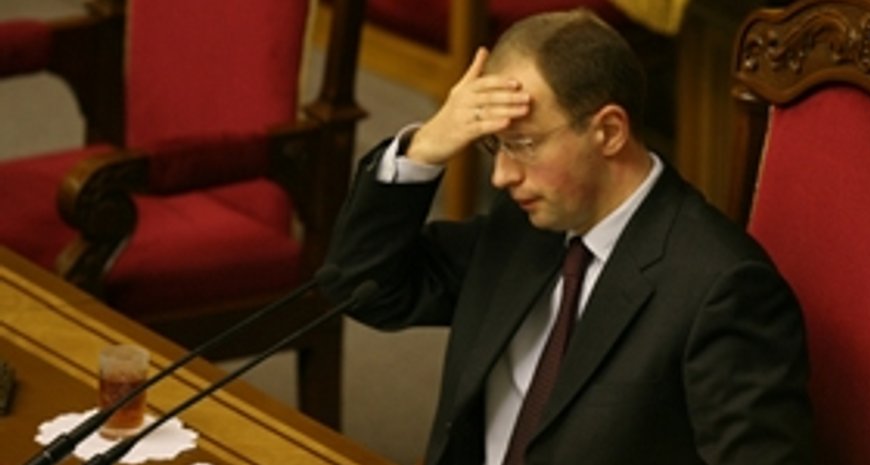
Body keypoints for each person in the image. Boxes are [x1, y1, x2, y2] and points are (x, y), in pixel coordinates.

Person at [322, 8, 815, 465]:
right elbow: (365, 287)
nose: (502, 175)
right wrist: (424, 148)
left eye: (524, 144)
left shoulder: (720, 289)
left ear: (609, 131)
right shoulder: (526, 225)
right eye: (495, 145)